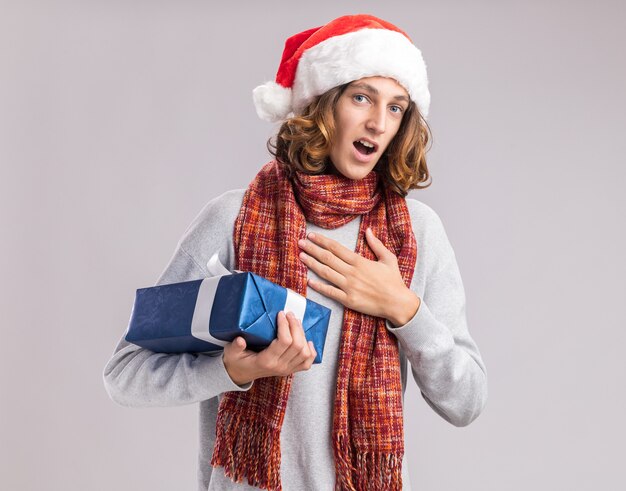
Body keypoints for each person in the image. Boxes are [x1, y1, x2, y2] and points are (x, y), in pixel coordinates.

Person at [103, 14, 488, 491]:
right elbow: (126, 373)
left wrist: (402, 307)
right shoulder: (234, 218)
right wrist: (230, 370)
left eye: (396, 108)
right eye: (362, 97)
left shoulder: (418, 234)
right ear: (323, 104)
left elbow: (466, 400)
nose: (377, 122)